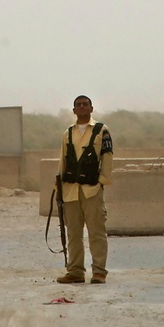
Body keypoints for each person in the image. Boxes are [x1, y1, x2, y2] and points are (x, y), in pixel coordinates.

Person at [56, 95, 113, 284]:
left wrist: (101, 182)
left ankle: (99, 272)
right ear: (74, 110)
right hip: (71, 190)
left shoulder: (101, 130)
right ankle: (75, 271)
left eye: (85, 104)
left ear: (91, 108)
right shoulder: (68, 133)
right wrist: (59, 188)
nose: (82, 107)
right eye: (78, 105)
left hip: (92, 190)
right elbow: (63, 160)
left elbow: (107, 157)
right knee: (73, 233)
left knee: (96, 232)